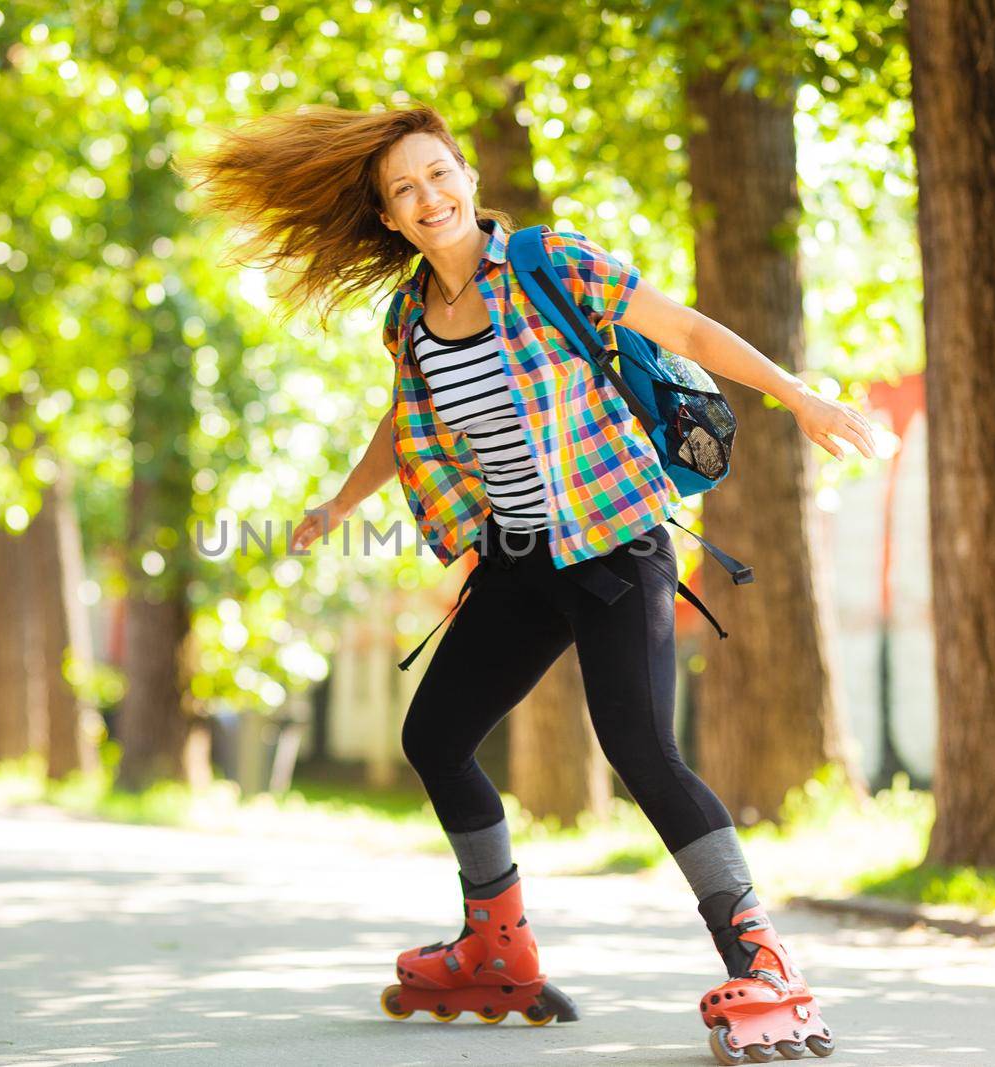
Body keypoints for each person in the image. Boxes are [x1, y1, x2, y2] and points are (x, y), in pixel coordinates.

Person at [177, 103, 873, 1063]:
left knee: (637, 743)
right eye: (404, 191)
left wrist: (798, 394)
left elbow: (683, 327)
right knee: (436, 734)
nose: (430, 198)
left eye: (439, 174)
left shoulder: (549, 262)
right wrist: (340, 503)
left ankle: (764, 960)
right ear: (387, 217)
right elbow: (404, 420)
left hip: (615, 545)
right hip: (518, 557)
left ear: (467, 173)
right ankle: (496, 944)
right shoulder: (410, 316)